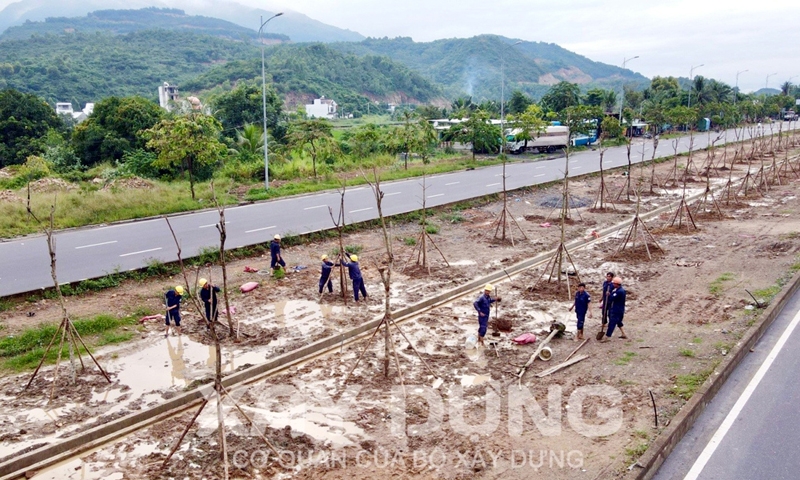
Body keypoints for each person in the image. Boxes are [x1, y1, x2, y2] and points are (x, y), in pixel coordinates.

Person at [601, 276, 627, 342]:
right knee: (618, 321)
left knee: (612, 323)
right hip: (619, 309)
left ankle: (607, 336)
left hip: (616, 309)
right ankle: (623, 333)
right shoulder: (619, 290)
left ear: (616, 284)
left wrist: (608, 295)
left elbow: (612, 298)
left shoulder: (619, 291)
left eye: (614, 283)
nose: (612, 284)